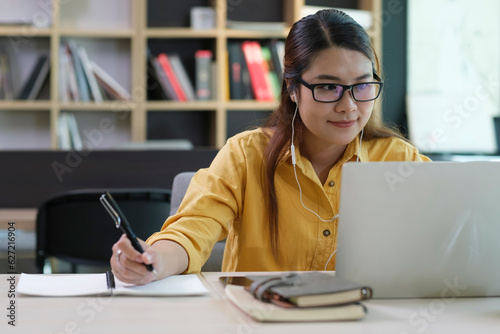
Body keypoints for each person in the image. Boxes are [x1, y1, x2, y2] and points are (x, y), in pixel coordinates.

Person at [111, 9, 430, 285]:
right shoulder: (245, 156)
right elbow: (191, 231)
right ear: (292, 88)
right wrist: (153, 260)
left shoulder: (399, 160)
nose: (348, 106)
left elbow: (452, 232)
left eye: (361, 85)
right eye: (328, 87)